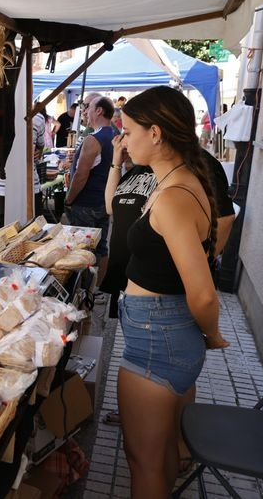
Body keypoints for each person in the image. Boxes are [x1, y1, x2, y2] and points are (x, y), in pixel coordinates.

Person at [116, 86, 229, 497]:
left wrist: (213, 334)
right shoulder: (179, 180)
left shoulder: (173, 196)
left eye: (128, 132)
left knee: (142, 461)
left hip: (156, 338)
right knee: (160, 453)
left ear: (156, 133)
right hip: (161, 332)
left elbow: (203, 293)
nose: (124, 142)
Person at [64, 95, 115, 286]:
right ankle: (99, 290)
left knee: (82, 251)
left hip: (86, 203)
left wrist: (69, 199)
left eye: (88, 107)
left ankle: (84, 290)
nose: (85, 111)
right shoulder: (112, 134)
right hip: (103, 201)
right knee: (101, 248)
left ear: (99, 111)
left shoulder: (94, 139)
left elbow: (81, 175)